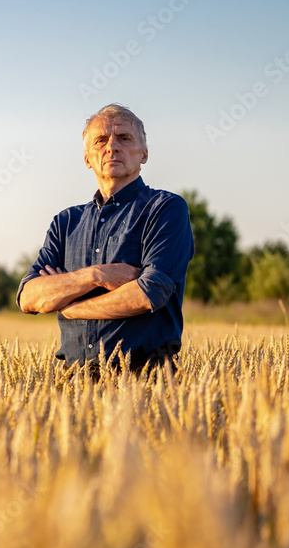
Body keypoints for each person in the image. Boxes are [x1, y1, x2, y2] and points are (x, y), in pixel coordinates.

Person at [16, 104, 194, 374]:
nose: (112, 147)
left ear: (144, 154)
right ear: (87, 158)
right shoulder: (66, 223)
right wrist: (96, 276)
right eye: (101, 140)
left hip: (146, 379)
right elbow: (29, 297)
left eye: (124, 138)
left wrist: (70, 306)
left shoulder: (165, 208)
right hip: (73, 380)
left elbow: (149, 293)